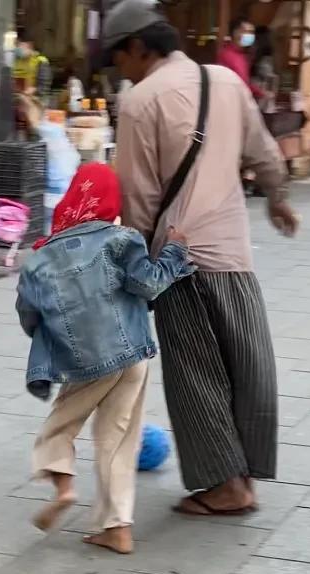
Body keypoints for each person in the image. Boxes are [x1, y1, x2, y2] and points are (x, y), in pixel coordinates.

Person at [107, 1, 299, 517]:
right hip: (234, 252)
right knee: (246, 365)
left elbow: (138, 199)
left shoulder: (140, 101)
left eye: (117, 56)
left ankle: (225, 486)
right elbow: (264, 152)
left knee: (197, 373)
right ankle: (247, 474)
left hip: (179, 260)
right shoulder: (225, 82)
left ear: (139, 47)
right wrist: (278, 199)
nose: (117, 68)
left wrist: (136, 272)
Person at [17, 164, 196, 554]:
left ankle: (64, 489)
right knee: (118, 438)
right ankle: (117, 527)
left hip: (84, 363)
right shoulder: (122, 239)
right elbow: (149, 284)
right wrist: (176, 250)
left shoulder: (38, 259)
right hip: (133, 355)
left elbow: (29, 317)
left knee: (59, 427)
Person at [217, 16, 261, 96]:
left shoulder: (242, 55)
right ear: (235, 33)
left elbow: (245, 83)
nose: (251, 35)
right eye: (247, 31)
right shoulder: (226, 55)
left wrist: (260, 92)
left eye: (252, 32)